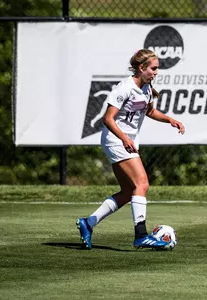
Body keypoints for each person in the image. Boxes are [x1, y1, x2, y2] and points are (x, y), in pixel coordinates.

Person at [76, 49, 185, 250]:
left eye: (157, 68)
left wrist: (170, 119)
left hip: (126, 141)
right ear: (141, 68)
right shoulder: (124, 88)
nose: (156, 72)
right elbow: (107, 119)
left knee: (129, 192)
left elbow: (150, 111)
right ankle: (141, 235)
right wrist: (124, 138)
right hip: (116, 141)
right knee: (142, 184)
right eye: (153, 68)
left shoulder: (147, 87)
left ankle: (88, 223)